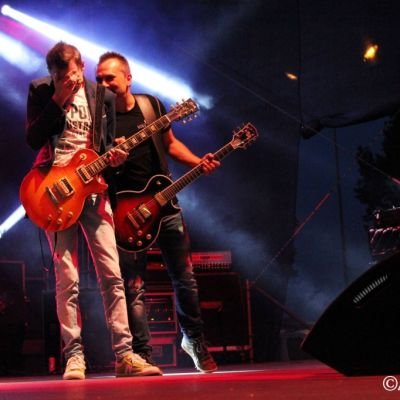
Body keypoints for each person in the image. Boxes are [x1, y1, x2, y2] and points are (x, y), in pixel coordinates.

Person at [25, 42, 162, 379]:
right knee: (67, 278)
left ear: (82, 66)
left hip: (93, 191)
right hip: (55, 193)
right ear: (52, 75)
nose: (68, 83)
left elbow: (105, 148)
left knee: (112, 274)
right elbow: (33, 139)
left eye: (72, 76)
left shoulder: (103, 98)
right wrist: (58, 98)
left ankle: (125, 355)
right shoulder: (41, 90)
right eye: (60, 78)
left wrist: (116, 158)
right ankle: (74, 356)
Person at [95, 52, 220, 373]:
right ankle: (142, 354)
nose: (103, 84)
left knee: (185, 279)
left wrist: (198, 162)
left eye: (109, 78)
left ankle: (194, 340)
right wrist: (111, 159)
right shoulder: (99, 119)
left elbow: (170, 144)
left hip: (164, 204)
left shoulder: (151, 106)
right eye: (98, 79)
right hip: (124, 211)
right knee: (133, 286)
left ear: (128, 78)